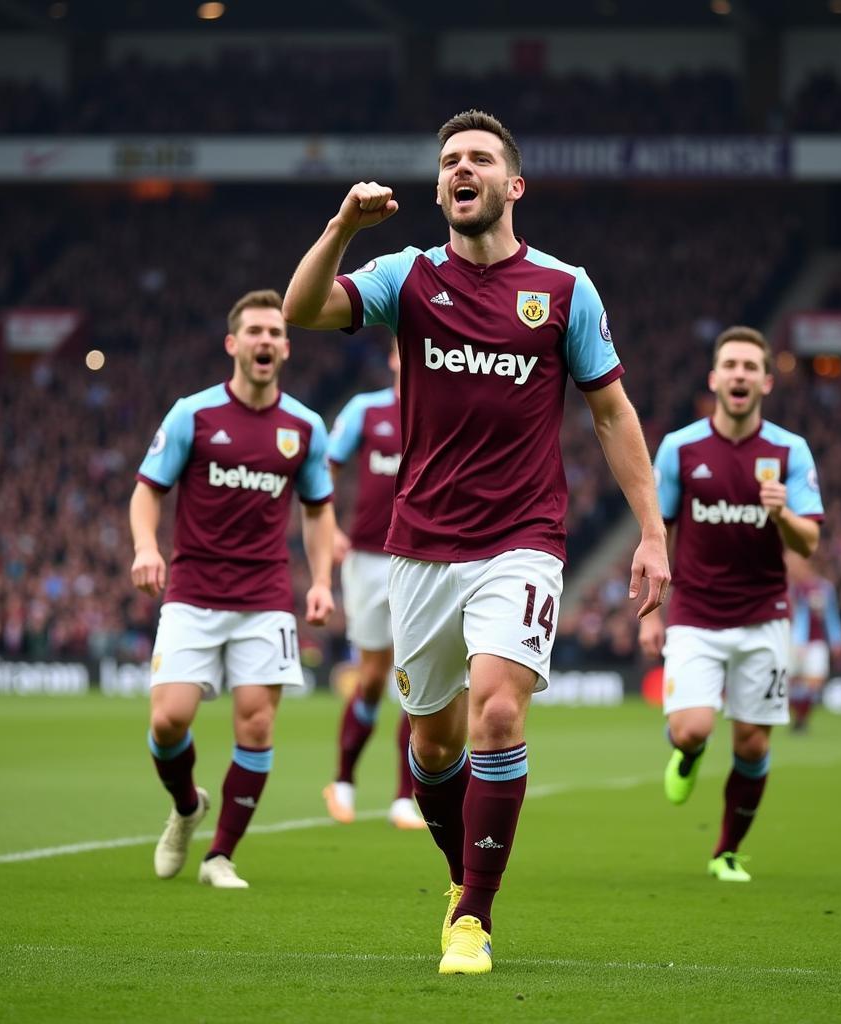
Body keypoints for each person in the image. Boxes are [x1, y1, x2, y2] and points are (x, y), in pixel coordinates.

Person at [283, 109, 669, 974]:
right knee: (432, 745)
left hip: (523, 538)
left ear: (512, 184)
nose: (463, 168)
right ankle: (465, 877)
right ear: (440, 187)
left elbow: (610, 411)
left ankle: (473, 919)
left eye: (481, 159)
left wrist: (651, 530)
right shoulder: (407, 276)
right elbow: (303, 307)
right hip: (418, 545)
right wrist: (343, 225)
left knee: (498, 709)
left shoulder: (565, 289)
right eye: (450, 160)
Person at [130, 288, 335, 889]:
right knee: (169, 722)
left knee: (257, 726)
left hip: (265, 597)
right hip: (192, 591)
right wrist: (146, 546)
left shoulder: (304, 427)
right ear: (233, 344)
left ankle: (221, 855)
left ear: (287, 348)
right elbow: (148, 490)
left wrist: (321, 580)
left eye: (275, 332)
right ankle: (189, 807)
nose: (265, 341)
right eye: (254, 332)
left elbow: (319, 510)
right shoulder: (192, 415)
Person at [639, 325, 824, 883]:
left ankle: (726, 851)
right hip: (696, 613)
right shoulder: (680, 447)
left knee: (752, 741)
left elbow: (809, 541)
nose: (740, 375)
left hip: (765, 616)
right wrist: (651, 614)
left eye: (750, 366)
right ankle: (689, 755)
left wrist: (782, 513)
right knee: (693, 728)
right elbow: (657, 531)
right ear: (715, 378)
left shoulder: (790, 451)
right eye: (731, 365)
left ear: (766, 380)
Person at [323, 338, 426, 831]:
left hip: (424, 556)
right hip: (366, 558)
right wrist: (330, 528)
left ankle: (404, 796)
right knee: (371, 676)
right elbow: (323, 468)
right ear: (391, 358)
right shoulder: (365, 411)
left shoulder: (445, 410)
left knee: (415, 680)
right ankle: (343, 779)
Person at [786, 550, 841, 732]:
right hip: (793, 641)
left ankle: (802, 718)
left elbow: (831, 615)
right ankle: (799, 719)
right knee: (792, 681)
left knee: (814, 681)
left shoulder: (824, 588)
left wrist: (837, 639)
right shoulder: (791, 588)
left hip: (816, 641)